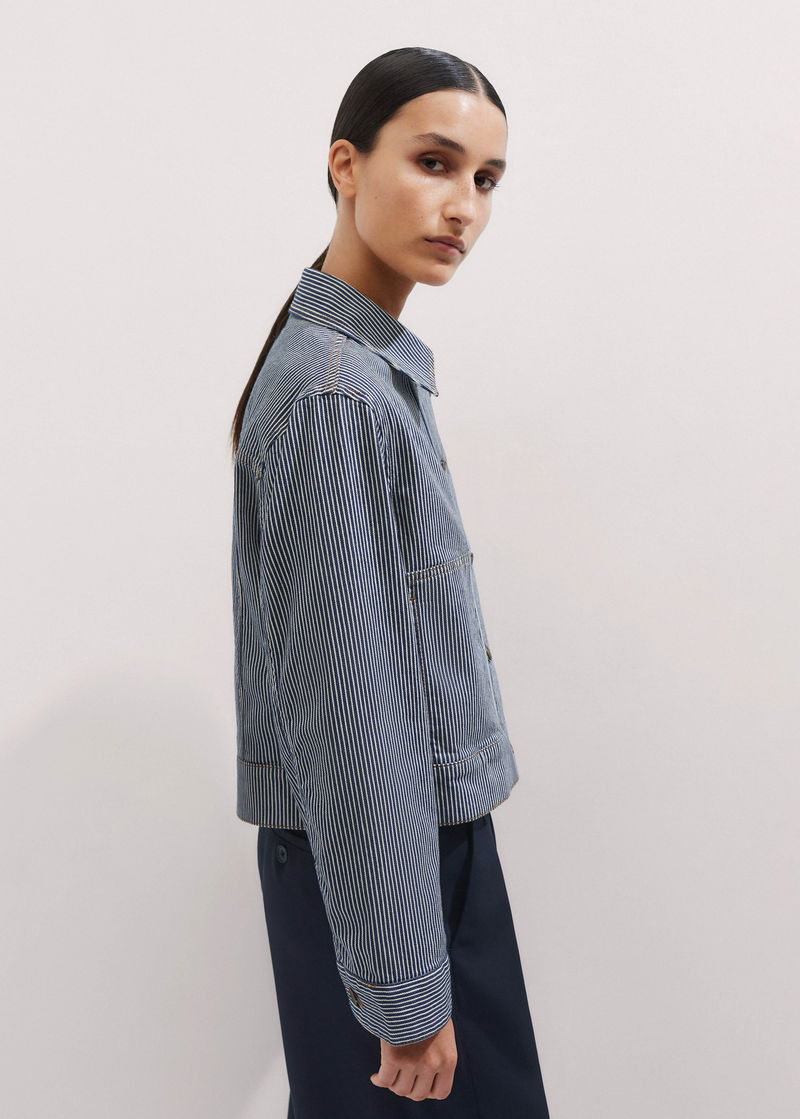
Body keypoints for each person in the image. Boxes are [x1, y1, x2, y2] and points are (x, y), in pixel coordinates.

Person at [229, 46, 551, 1117]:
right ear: (346, 166)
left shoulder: (356, 367)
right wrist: (404, 987)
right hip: (390, 875)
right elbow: (349, 712)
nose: (463, 206)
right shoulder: (335, 393)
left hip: (400, 867)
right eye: (434, 161)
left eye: (486, 180)